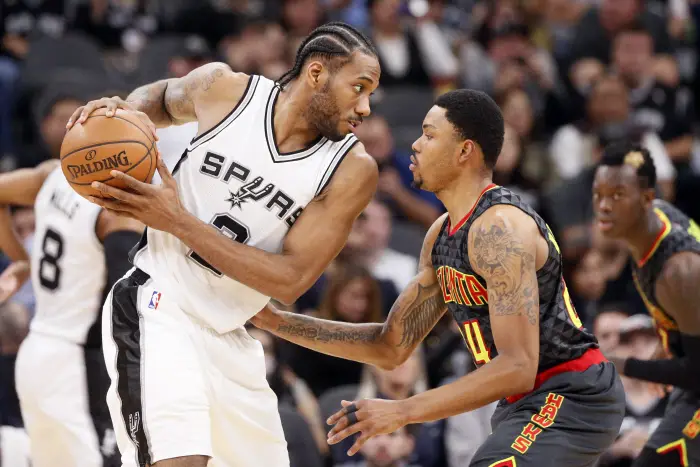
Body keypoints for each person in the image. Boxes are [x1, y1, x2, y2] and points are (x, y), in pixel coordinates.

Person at [252, 89, 626, 465]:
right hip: (523, 404)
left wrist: (403, 411)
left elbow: (518, 367)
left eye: (429, 135)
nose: (414, 145)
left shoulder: (500, 229)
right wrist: (276, 321)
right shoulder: (440, 236)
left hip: (571, 393)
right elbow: (390, 346)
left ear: (465, 151)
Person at [67, 21, 381, 467]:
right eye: (359, 87)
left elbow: (291, 280)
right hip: (159, 304)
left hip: (232, 336)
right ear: (316, 74)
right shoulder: (225, 89)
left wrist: (178, 221)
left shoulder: (351, 169)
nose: (366, 107)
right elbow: (155, 100)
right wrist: (120, 113)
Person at [0, 157, 144, 467]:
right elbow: (128, 302)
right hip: (78, 364)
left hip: (37, 351)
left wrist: (22, 258)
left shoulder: (53, 173)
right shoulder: (117, 214)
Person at [592, 141, 700, 466]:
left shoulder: (678, 270)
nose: (604, 206)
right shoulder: (655, 225)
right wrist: (671, 338)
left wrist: (619, 363)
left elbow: (697, 373)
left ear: (646, 199)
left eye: (617, 195)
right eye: (599, 194)